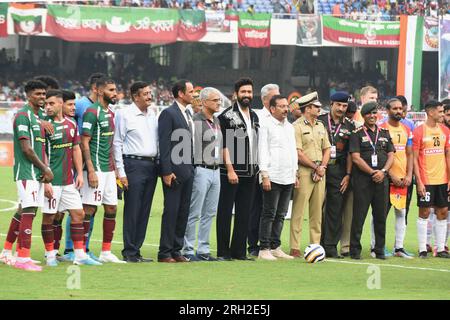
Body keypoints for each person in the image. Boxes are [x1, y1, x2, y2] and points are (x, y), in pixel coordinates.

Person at [41, 90, 101, 266]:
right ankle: (50, 255)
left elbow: (76, 148)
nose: (48, 107)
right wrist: (45, 181)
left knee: (79, 214)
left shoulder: (71, 124)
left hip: (68, 181)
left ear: (60, 104)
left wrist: (79, 174)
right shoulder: (44, 126)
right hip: (52, 180)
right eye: (46, 104)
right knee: (49, 218)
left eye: (51, 103)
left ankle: (80, 254)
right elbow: (42, 153)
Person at [0, 80, 53, 271]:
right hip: (26, 171)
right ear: (28, 95)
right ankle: (23, 258)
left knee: (25, 210)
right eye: (37, 94)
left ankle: (7, 251)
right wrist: (45, 168)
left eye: (43, 94)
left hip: (36, 173)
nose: (42, 97)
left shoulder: (37, 118)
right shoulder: (23, 116)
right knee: (29, 211)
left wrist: (43, 170)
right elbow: (27, 149)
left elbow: (39, 147)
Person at [80, 77, 125, 264]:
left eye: (115, 90)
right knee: (89, 209)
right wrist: (90, 170)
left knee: (112, 208)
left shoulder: (111, 113)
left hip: (108, 170)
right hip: (95, 169)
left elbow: (111, 144)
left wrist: (115, 171)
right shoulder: (92, 112)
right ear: (99, 91)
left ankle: (105, 252)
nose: (115, 93)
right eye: (111, 90)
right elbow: (84, 142)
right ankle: (80, 251)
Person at [113, 81, 158, 263]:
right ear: (135, 96)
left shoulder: (153, 114)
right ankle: (129, 251)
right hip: (133, 164)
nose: (149, 96)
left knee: (145, 210)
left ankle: (137, 249)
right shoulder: (124, 114)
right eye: (145, 94)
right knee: (133, 209)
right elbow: (117, 143)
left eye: (150, 93)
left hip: (151, 165)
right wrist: (121, 172)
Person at [64, 72, 105, 261]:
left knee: (92, 207)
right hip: (79, 162)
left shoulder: (102, 109)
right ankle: (69, 248)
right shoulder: (80, 104)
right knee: (76, 207)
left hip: (96, 163)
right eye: (106, 88)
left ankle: (85, 248)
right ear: (96, 88)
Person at [216, 77, 259, 261]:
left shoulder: (255, 116)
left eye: (249, 92)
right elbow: (223, 144)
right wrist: (230, 168)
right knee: (225, 212)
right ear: (236, 94)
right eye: (243, 92)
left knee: (244, 213)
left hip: (250, 172)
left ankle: (239, 251)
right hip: (231, 172)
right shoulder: (226, 116)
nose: (247, 95)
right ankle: (223, 252)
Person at [349, 102, 394, 260]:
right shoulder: (357, 133)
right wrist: (372, 172)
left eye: (375, 113)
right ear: (364, 116)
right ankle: (355, 250)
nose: (372, 116)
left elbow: (391, 155)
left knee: (381, 217)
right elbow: (355, 158)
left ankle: (379, 250)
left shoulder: (385, 132)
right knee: (359, 216)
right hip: (363, 180)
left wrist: (383, 172)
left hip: (382, 180)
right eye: (369, 113)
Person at [182, 87, 222, 262]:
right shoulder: (195, 121)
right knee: (194, 211)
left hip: (216, 170)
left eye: (219, 100)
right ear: (204, 102)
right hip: (201, 169)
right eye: (215, 100)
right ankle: (188, 249)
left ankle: (204, 249)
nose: (218, 103)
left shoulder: (217, 121)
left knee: (210, 212)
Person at [158, 79, 195, 263]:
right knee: (171, 211)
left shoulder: (188, 114)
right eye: (191, 91)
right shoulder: (168, 114)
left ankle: (176, 249)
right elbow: (164, 143)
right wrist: (166, 171)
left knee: (183, 211)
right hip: (173, 172)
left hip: (188, 170)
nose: (194, 94)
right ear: (181, 93)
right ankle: (165, 252)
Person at [290, 91, 330, 257]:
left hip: (320, 171)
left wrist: (323, 167)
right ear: (307, 108)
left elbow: (327, 148)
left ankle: (315, 244)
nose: (319, 109)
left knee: (317, 211)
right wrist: (315, 167)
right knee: (299, 210)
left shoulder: (321, 126)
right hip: (305, 171)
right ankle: (295, 246)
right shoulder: (297, 126)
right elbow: (298, 152)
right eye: (316, 107)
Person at [258, 95, 298, 261]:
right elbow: (262, 150)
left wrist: (295, 172)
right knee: (269, 213)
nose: (285, 109)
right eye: (281, 106)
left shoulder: (289, 127)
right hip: (272, 175)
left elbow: (293, 151)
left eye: (286, 106)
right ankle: (264, 248)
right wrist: (264, 174)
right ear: (272, 109)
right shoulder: (266, 125)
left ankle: (275, 246)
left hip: (288, 175)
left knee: (281, 214)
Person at [319, 92, 354, 258]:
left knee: (335, 209)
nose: (341, 109)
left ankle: (331, 247)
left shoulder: (350, 125)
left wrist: (348, 174)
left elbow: (350, 153)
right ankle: (317, 243)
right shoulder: (320, 120)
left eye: (344, 106)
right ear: (331, 104)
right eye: (338, 105)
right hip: (319, 167)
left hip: (339, 171)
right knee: (317, 208)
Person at [413, 101, 450, 258]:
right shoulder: (419, 131)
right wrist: (419, 181)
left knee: (442, 212)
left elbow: (448, 155)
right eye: (440, 111)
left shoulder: (445, 131)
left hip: (442, 179)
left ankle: (440, 249)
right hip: (426, 180)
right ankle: (422, 248)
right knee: (425, 211)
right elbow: (414, 158)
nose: (443, 114)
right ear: (430, 112)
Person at [379, 98, 414, 258]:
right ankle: (376, 247)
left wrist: (408, 175)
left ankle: (398, 248)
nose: (399, 111)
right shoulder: (382, 129)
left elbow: (410, 153)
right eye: (395, 108)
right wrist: (390, 175)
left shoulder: (407, 129)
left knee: (401, 213)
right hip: (386, 178)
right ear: (387, 110)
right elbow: (380, 156)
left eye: (400, 108)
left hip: (403, 179)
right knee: (381, 214)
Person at [248, 83, 280, 257]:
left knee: (272, 209)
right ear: (265, 98)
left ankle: (269, 243)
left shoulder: (281, 118)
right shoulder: (257, 116)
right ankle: (253, 245)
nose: (279, 98)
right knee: (256, 207)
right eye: (275, 96)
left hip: (274, 169)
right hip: (258, 168)